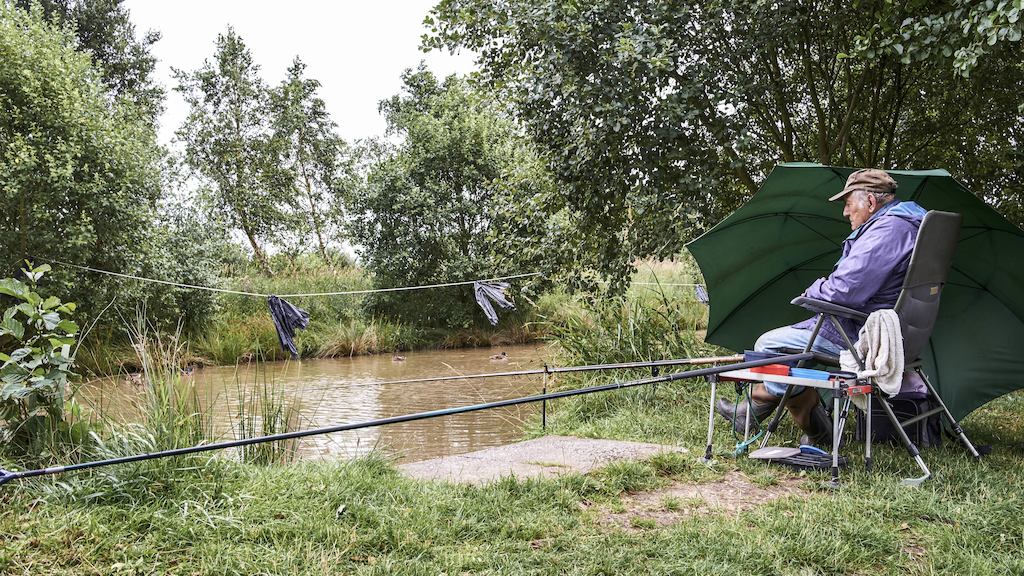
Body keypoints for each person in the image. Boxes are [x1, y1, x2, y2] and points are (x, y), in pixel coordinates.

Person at [715, 168, 928, 444]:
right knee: (790, 354)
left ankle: (812, 426)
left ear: (871, 203)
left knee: (768, 346)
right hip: (877, 328)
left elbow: (844, 290)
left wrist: (813, 289)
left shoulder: (888, 230)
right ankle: (757, 412)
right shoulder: (906, 223)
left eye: (849, 204)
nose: (845, 213)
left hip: (859, 333)